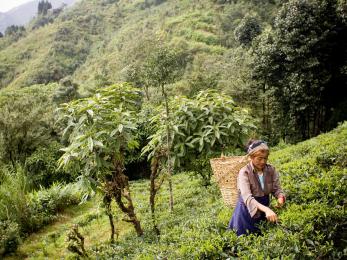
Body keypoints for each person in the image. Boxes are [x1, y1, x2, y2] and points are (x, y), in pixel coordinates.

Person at [228, 139, 285, 236]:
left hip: (263, 209)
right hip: (247, 211)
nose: (263, 161)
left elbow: (277, 189)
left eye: (265, 158)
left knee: (261, 237)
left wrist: (280, 198)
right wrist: (267, 210)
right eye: (259, 158)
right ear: (251, 157)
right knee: (245, 239)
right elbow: (247, 198)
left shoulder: (271, 170)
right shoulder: (244, 172)